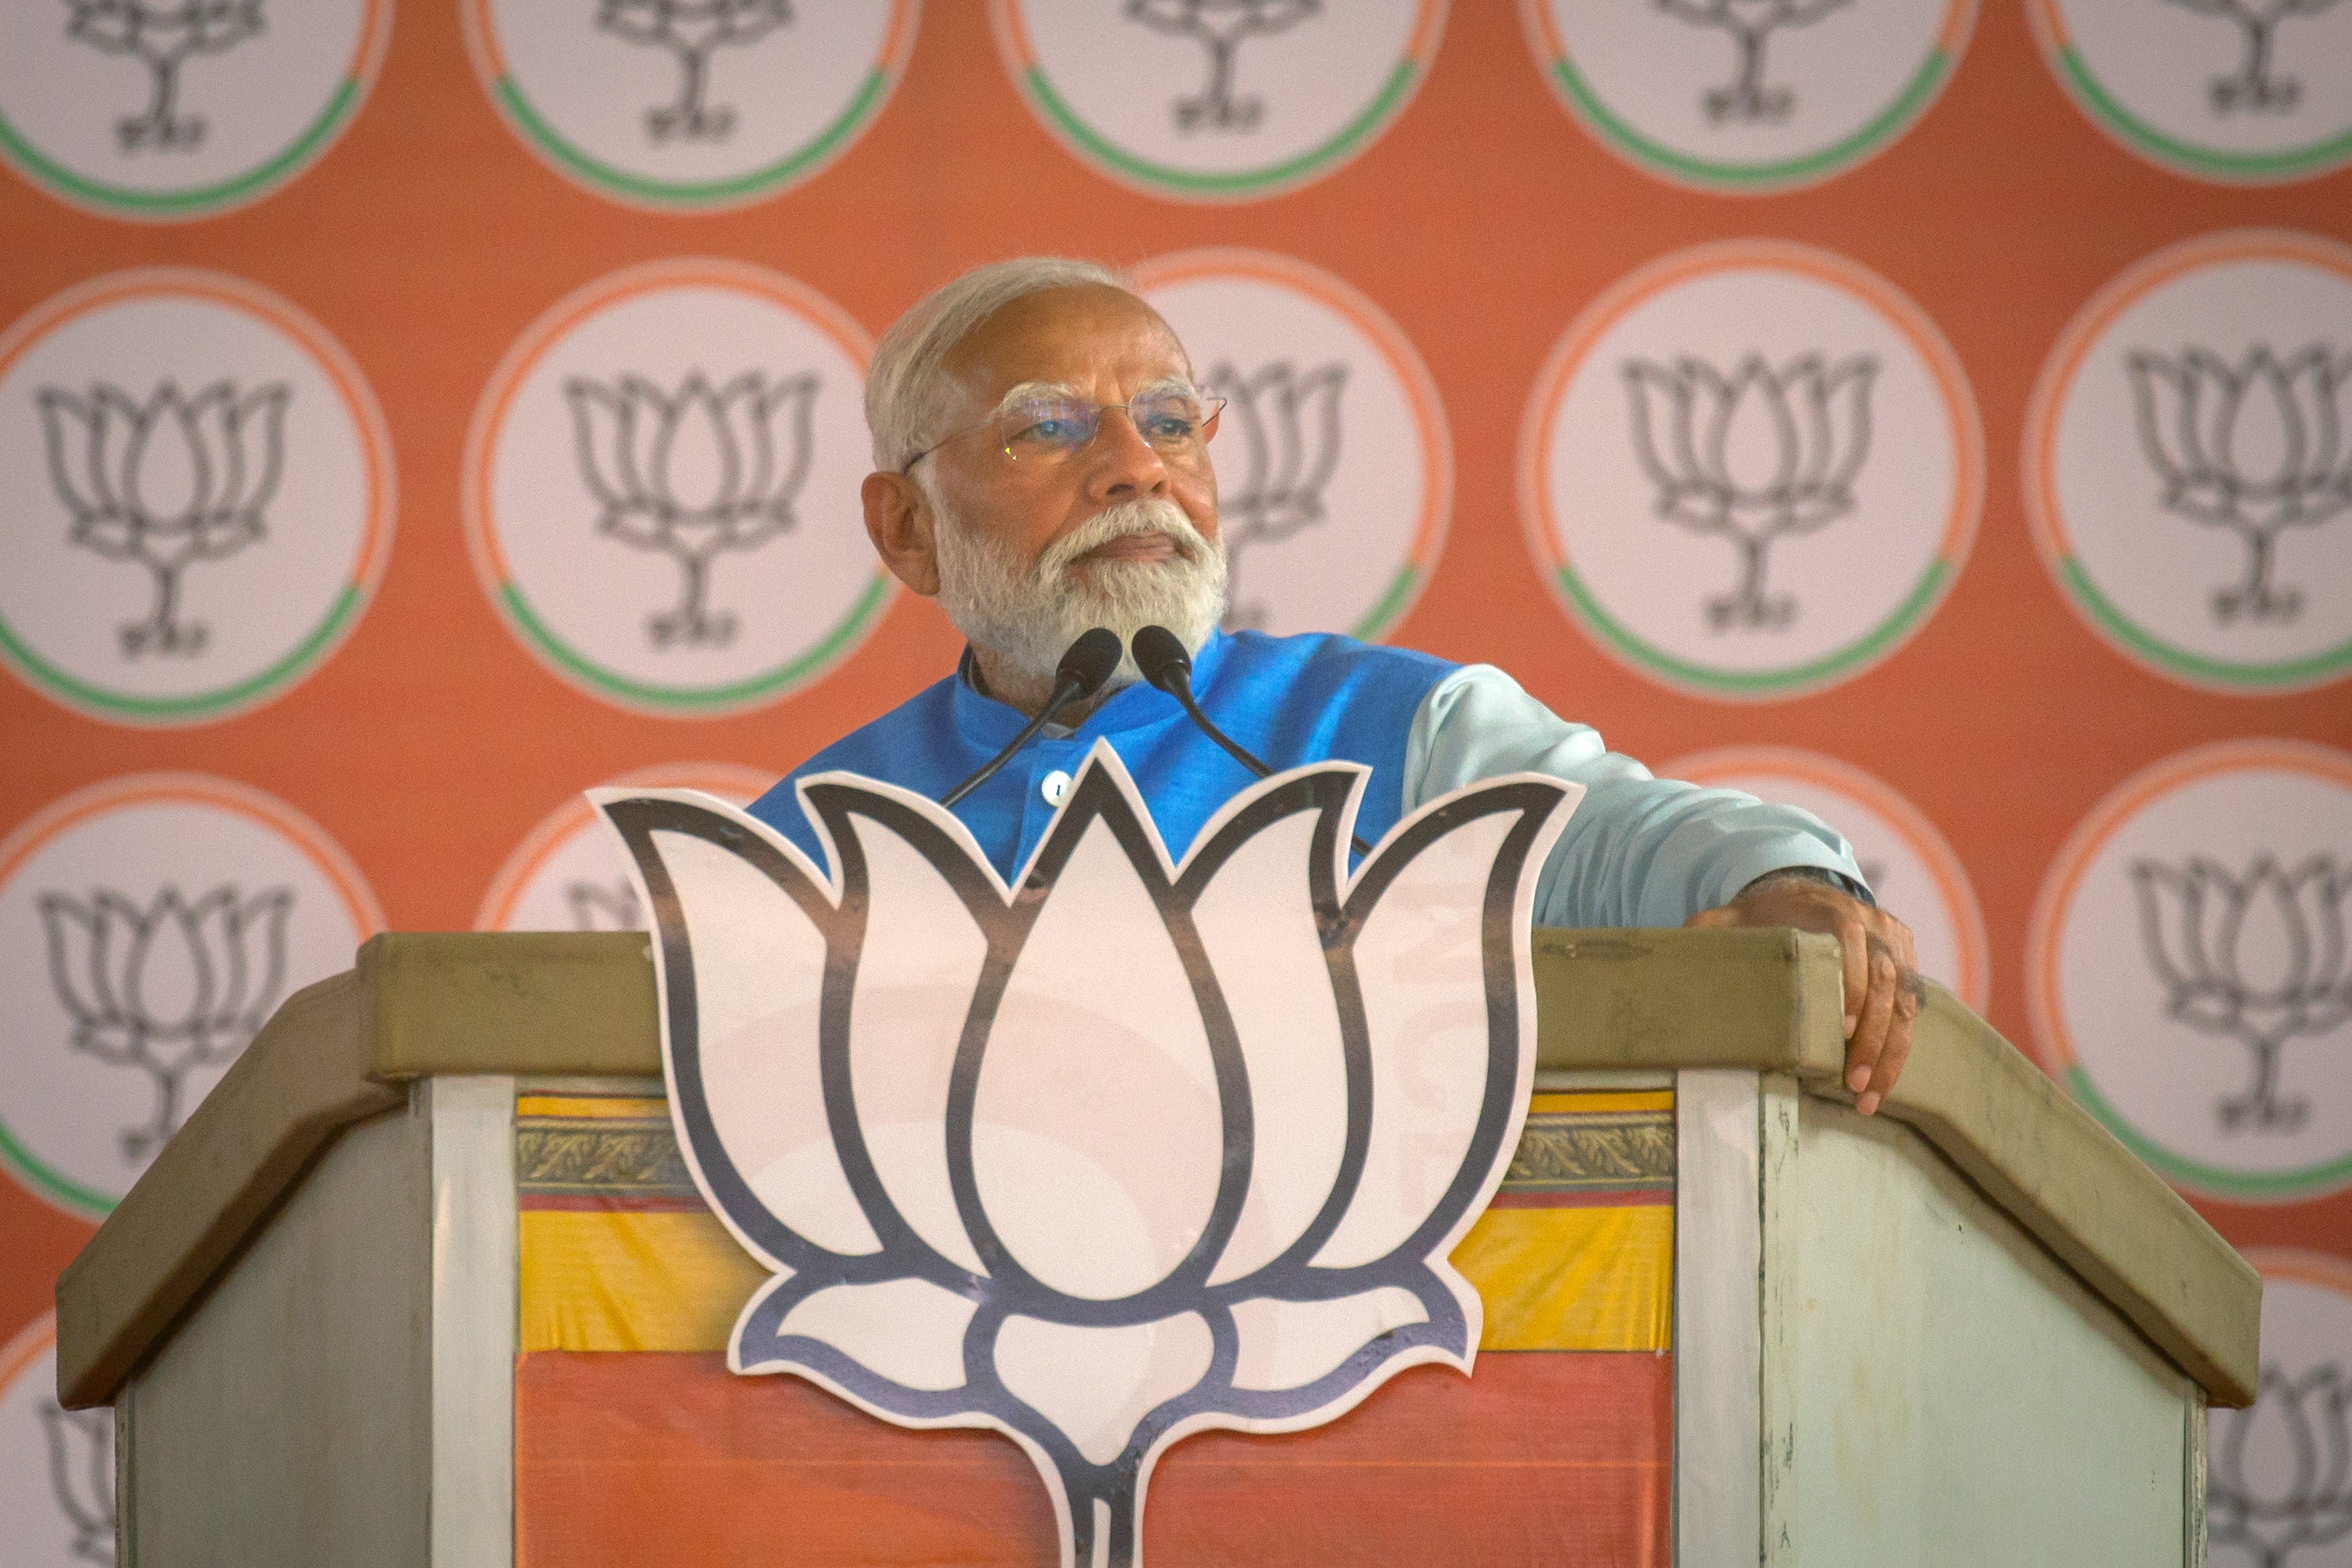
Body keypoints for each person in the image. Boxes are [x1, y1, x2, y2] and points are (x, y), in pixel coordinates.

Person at [748, 257, 1923, 1113]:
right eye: (1046, 430)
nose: (1136, 469)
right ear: (906, 529)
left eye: (1170, 422)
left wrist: (1790, 883)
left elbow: (1633, 840)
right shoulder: (805, 836)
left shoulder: (1396, 732)